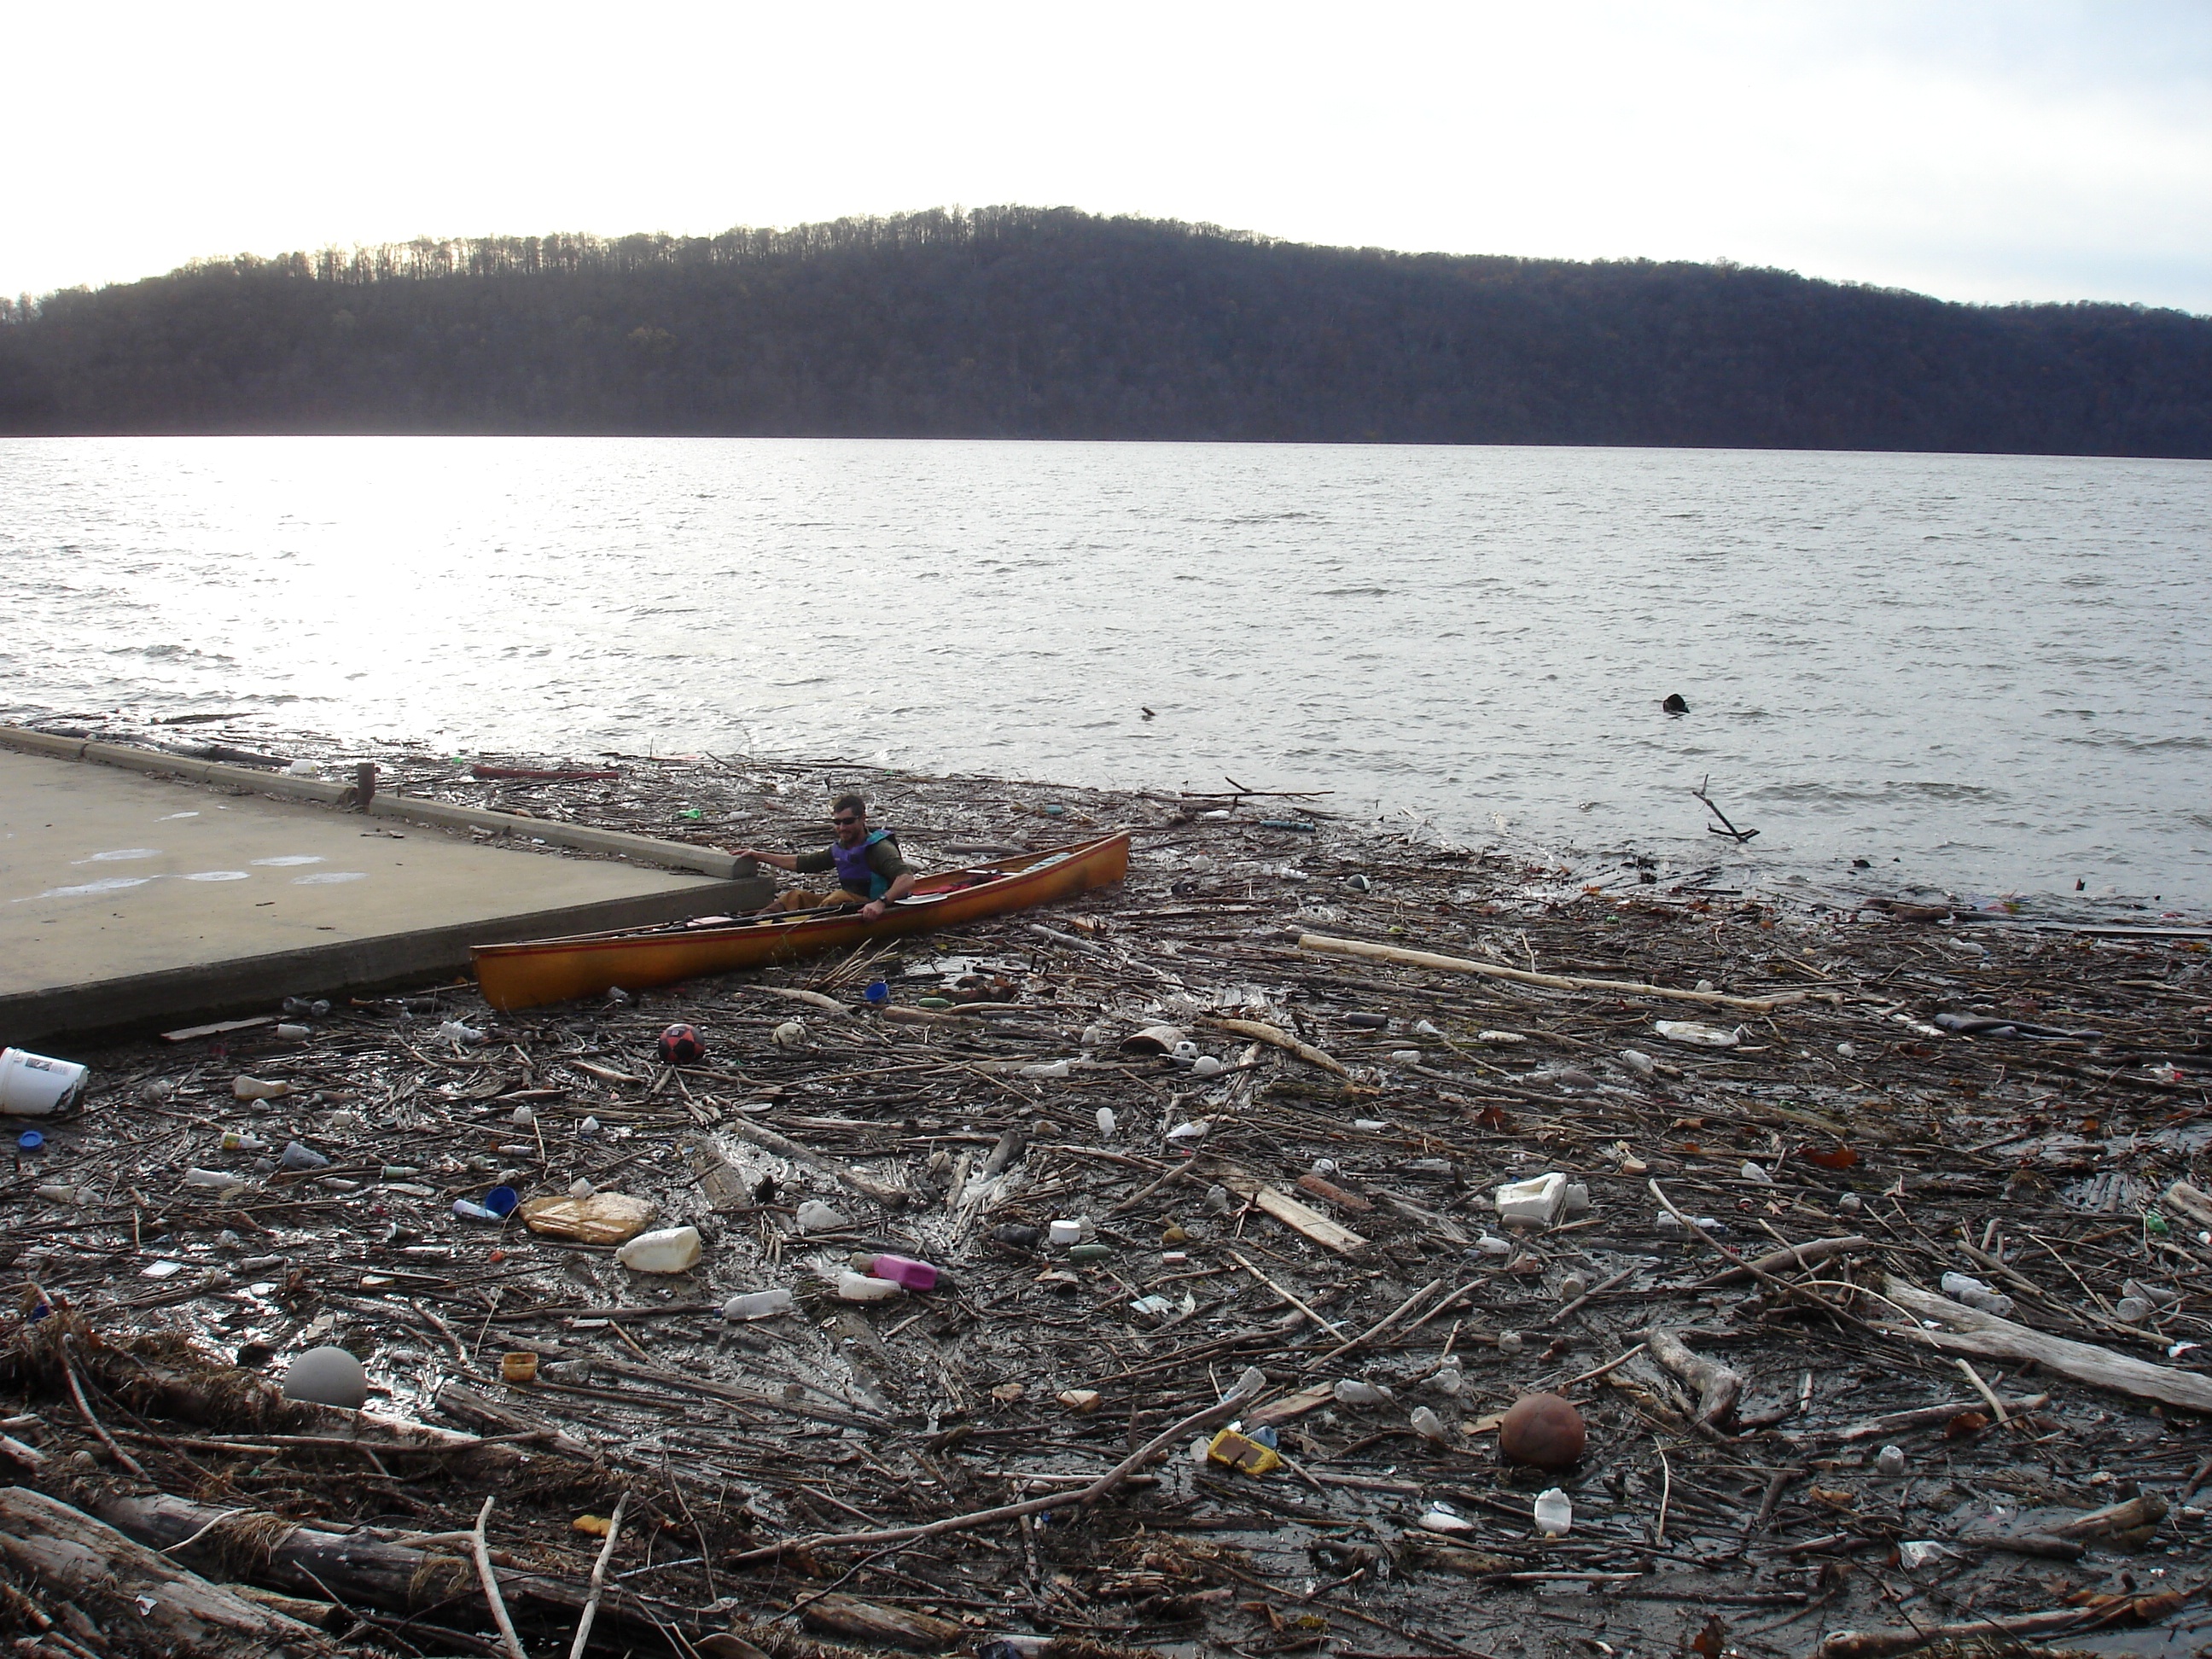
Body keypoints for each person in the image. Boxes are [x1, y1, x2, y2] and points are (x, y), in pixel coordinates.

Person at [736, 794, 917, 920]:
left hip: (874, 906)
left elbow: (907, 879)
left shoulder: (879, 848)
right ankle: (756, 924)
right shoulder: (839, 849)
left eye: (848, 822)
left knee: (837, 897)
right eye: (837, 822)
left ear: (863, 819)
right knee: (795, 897)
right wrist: (758, 855)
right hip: (846, 906)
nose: (842, 828)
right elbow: (800, 863)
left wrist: (881, 903)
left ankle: (806, 928)